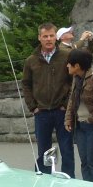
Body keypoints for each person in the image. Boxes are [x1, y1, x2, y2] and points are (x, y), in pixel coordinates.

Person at [21, 23, 74, 175]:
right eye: (45, 36)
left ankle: (70, 178)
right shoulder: (31, 60)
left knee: (66, 149)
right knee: (44, 150)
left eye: (51, 35)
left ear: (56, 37)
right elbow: (26, 84)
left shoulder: (66, 56)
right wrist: (33, 107)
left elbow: (73, 82)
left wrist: (66, 104)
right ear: (39, 38)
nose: (49, 39)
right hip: (41, 112)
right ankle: (44, 179)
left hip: (61, 111)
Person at [64, 49, 93, 182]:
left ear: (77, 66)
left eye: (69, 63)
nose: (67, 66)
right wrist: (68, 119)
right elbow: (72, 99)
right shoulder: (76, 78)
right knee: (85, 162)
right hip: (79, 125)